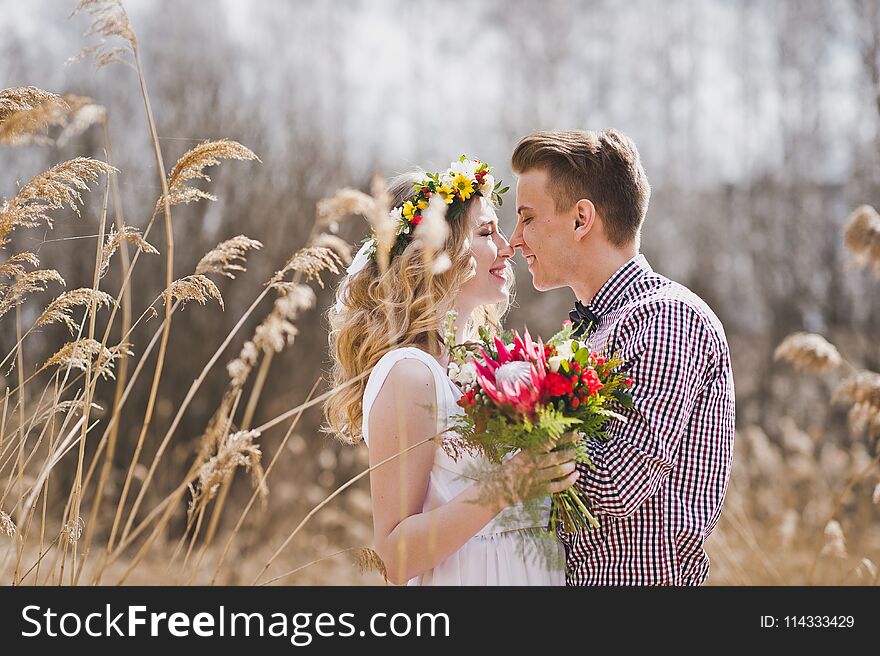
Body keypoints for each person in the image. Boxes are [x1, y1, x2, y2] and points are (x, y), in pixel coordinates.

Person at [325, 157, 576, 585]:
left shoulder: (488, 366)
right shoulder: (409, 375)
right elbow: (395, 558)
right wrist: (508, 484)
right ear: (436, 252)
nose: (507, 246)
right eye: (485, 232)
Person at [509, 129, 736, 585]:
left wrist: (513, 444)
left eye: (528, 219)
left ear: (581, 219)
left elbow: (616, 484)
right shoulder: (581, 332)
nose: (514, 239)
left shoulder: (668, 318)